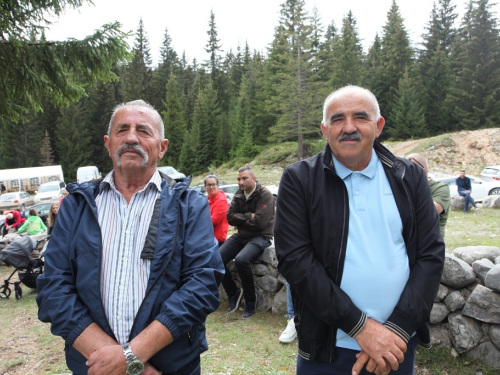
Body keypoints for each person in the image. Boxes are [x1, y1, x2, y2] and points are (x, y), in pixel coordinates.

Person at [36, 99, 224, 375]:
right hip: (94, 367)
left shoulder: (189, 204)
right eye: (122, 130)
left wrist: (132, 355)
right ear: (108, 143)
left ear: (162, 147)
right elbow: (53, 288)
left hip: (168, 368)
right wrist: (118, 361)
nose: (132, 137)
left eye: (144, 131)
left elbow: (203, 284)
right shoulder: (76, 206)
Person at [274, 85, 445, 375]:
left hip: (396, 345)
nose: (348, 127)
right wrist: (362, 328)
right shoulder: (298, 180)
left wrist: (398, 329)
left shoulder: (409, 176)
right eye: (338, 119)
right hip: (328, 349)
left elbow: (431, 254)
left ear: (378, 126)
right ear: (324, 129)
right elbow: (295, 261)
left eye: (360, 117)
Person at [220, 166, 275, 319]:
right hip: (242, 235)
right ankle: (233, 293)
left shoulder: (265, 195)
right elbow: (229, 217)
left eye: (244, 178)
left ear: (253, 178)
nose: (241, 182)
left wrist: (241, 219)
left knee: (241, 260)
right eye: (238, 179)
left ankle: (250, 301)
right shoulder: (239, 194)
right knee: (216, 259)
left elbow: (259, 223)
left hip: (261, 236)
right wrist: (248, 216)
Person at [407, 153, 451, 238]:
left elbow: (430, 210)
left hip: (431, 244)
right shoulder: (405, 187)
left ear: (421, 170)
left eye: (410, 168)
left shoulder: (440, 188)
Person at [204, 174, 229, 247]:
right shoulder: (206, 199)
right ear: (205, 187)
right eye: (209, 185)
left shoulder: (221, 201)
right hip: (207, 238)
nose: (211, 187)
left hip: (217, 241)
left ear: (218, 186)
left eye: (213, 184)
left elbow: (212, 221)